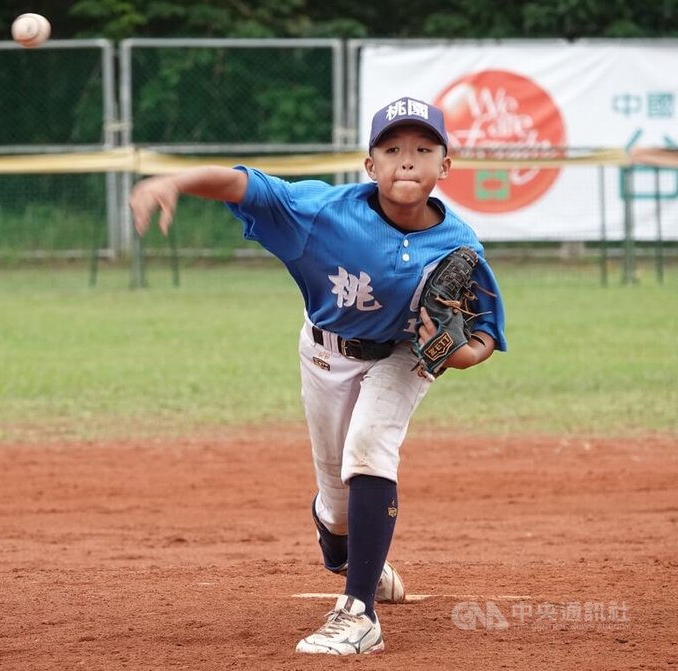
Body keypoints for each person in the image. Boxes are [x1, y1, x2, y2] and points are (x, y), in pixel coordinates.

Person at [129, 95, 507, 656]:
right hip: (326, 354)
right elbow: (245, 186)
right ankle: (354, 556)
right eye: (392, 149)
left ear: (445, 165)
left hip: (404, 357)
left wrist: (459, 355)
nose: (407, 160)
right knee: (336, 510)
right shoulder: (322, 213)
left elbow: (486, 333)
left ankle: (359, 615)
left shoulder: (459, 244)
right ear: (370, 165)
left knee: (370, 448)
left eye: (423, 149)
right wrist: (176, 181)